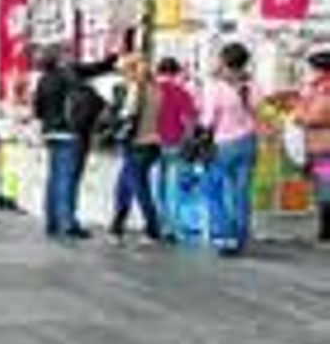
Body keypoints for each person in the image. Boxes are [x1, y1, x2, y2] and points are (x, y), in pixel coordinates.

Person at [32, 46, 116, 238]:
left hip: (51, 133)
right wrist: (112, 59)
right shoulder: (70, 76)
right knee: (68, 179)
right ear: (61, 59)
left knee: (54, 177)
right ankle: (68, 223)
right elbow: (95, 70)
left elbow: (37, 110)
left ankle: (52, 221)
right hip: (71, 133)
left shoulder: (43, 80)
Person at [201, 41, 258, 256]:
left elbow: (208, 120)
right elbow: (258, 110)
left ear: (223, 61)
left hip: (224, 144)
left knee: (211, 189)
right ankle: (241, 237)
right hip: (249, 142)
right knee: (241, 193)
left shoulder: (216, 86)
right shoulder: (252, 84)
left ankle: (225, 236)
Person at [109, 55, 163, 242]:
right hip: (153, 144)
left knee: (139, 187)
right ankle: (116, 228)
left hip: (136, 143)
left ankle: (152, 228)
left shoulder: (134, 90)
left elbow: (126, 115)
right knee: (124, 185)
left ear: (131, 71)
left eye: (124, 70)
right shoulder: (157, 89)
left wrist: (113, 119)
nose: (123, 74)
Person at [152, 57, 199, 241]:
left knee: (159, 185)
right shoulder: (182, 92)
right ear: (176, 72)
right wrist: (189, 139)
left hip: (153, 143)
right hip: (176, 143)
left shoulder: (151, 91)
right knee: (176, 187)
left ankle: (160, 224)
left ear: (159, 71)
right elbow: (190, 120)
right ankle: (174, 226)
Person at [295, 46, 330, 242]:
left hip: (325, 148)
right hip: (316, 146)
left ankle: (326, 230)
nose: (310, 73)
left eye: (313, 69)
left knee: (326, 187)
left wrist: (301, 115)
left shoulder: (325, 91)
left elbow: (313, 117)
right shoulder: (316, 89)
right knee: (322, 185)